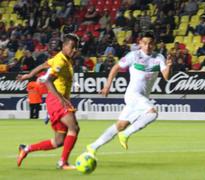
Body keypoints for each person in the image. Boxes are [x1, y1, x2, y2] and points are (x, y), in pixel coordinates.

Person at [86, 31, 173, 155]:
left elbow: (166, 77)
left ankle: (93, 146)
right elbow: (116, 67)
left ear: (154, 45)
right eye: (145, 43)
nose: (148, 46)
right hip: (133, 95)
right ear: (140, 44)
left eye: (150, 44)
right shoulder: (134, 55)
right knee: (152, 113)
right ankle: (125, 134)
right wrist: (107, 85)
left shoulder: (159, 58)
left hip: (141, 98)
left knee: (120, 125)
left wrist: (169, 66)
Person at [16, 34, 80, 170]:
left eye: (76, 48)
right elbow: (48, 80)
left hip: (57, 99)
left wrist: (29, 75)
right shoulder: (60, 61)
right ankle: (63, 162)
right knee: (74, 127)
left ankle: (26, 149)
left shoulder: (64, 59)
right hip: (56, 99)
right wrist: (61, 99)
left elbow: (43, 65)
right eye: (72, 47)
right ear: (64, 46)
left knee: (59, 141)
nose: (74, 50)